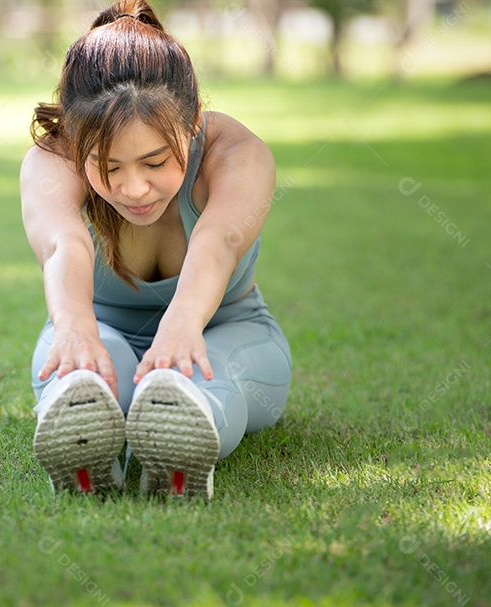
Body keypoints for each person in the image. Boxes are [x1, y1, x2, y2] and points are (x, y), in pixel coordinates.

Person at [21, 0, 291, 499]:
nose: (134, 189)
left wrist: (182, 326)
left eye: (155, 162)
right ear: (76, 139)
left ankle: (184, 430)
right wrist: (75, 328)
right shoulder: (53, 159)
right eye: (108, 166)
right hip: (99, 328)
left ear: (192, 123)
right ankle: (85, 438)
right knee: (83, 380)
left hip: (226, 333)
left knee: (193, 382)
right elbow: (63, 243)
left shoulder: (237, 155)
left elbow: (219, 241)